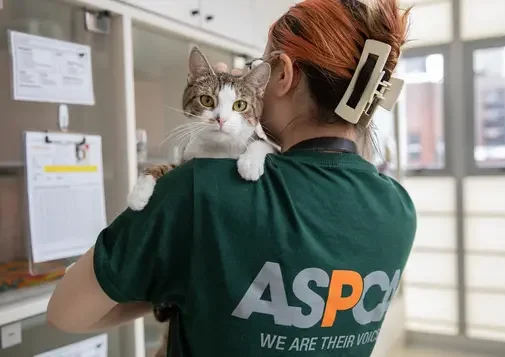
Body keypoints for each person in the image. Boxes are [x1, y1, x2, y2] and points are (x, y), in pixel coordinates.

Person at [47, 1, 416, 356]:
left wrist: (173, 279)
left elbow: (66, 313)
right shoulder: (399, 209)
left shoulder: (198, 190)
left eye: (261, 66)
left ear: (283, 74)